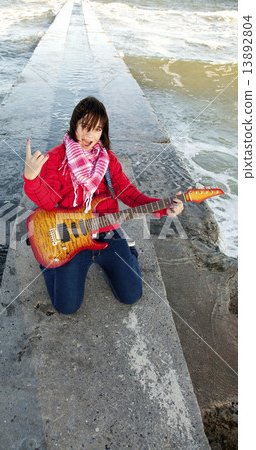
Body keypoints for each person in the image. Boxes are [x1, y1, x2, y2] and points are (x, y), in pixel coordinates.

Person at [23, 96, 183, 314]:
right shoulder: (55, 160)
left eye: (97, 129)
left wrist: (165, 207)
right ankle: (48, 265)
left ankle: (129, 249)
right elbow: (47, 202)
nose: (91, 136)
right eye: (85, 127)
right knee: (66, 307)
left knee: (131, 295)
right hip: (72, 239)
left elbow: (129, 194)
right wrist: (32, 179)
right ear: (74, 125)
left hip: (107, 234)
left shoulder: (107, 160)